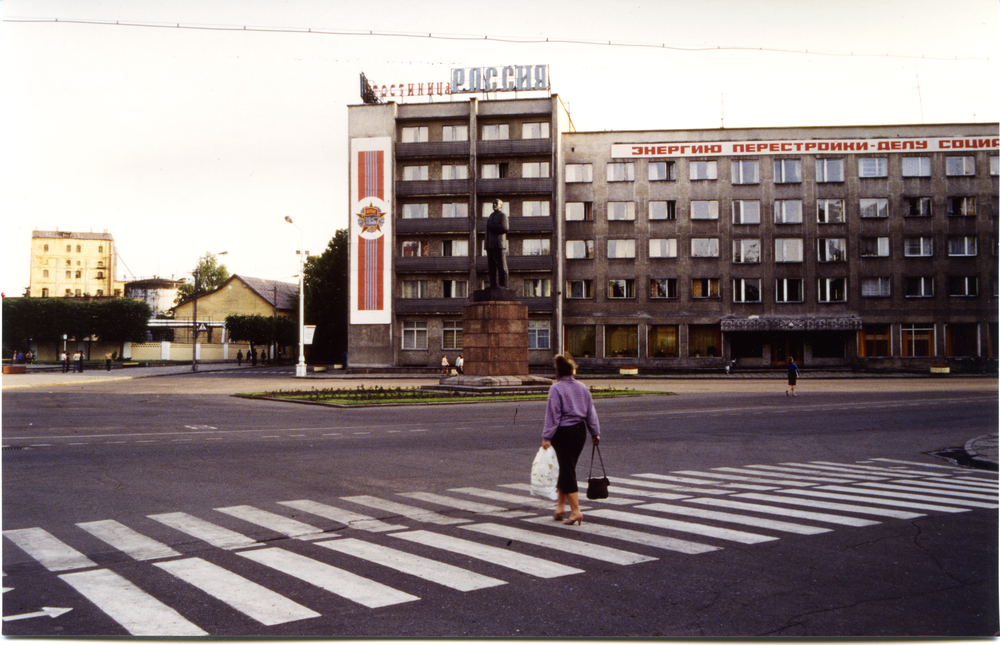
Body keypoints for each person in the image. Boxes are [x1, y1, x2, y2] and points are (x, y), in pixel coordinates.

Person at [541, 352, 601, 525]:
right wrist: (595, 433)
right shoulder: (582, 387)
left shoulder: (556, 388)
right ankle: (560, 507)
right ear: (572, 371)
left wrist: (547, 437)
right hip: (580, 432)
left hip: (563, 432)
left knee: (567, 470)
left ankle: (576, 511)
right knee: (566, 467)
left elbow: (553, 416)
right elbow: (591, 413)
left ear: (558, 372)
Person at [486, 198, 509, 288]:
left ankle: (503, 284)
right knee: (491, 267)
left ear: (500, 205)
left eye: (496, 203)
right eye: (493, 203)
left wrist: (491, 226)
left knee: (501, 265)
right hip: (490, 245)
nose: (494, 205)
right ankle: (493, 284)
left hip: (499, 245)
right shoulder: (491, 216)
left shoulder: (503, 215)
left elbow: (504, 228)